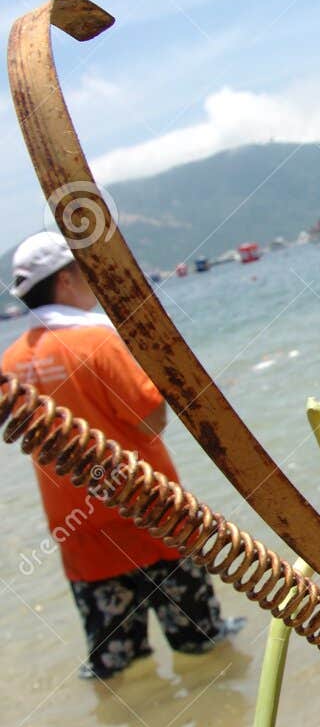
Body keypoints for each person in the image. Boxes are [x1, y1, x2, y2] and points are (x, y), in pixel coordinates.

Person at [2, 232, 243, 680]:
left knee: (119, 673)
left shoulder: (11, 363)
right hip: (154, 520)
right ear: (68, 278)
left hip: (81, 536)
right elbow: (151, 419)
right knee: (206, 651)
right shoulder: (99, 340)